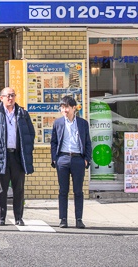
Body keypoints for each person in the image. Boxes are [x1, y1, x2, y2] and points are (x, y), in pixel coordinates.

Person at [0, 86, 35, 226]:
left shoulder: (22, 114)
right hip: (1, 156)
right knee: (1, 190)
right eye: (8, 96)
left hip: (17, 156)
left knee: (19, 189)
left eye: (12, 95)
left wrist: (28, 149)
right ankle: (1, 218)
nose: (10, 98)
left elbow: (31, 133)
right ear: (1, 98)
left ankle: (18, 217)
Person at [50, 95, 93, 229]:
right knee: (63, 190)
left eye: (67, 107)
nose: (64, 110)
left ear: (74, 108)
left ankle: (79, 219)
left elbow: (87, 142)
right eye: (62, 107)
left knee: (78, 191)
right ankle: (63, 219)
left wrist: (86, 159)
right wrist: (55, 159)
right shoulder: (58, 123)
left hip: (78, 159)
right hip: (62, 158)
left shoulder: (82, 123)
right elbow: (54, 141)